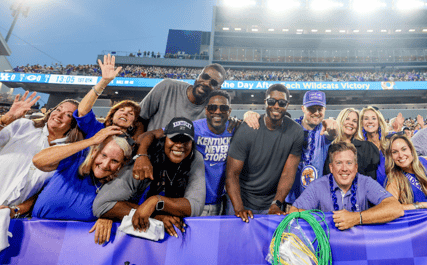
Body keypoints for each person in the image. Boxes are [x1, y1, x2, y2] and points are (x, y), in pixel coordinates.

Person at [93, 117, 206, 237]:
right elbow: (101, 206)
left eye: (185, 140)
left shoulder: (194, 157)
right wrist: (153, 215)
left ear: (191, 143)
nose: (179, 145)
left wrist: (155, 202)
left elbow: (195, 207)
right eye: (174, 139)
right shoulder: (146, 158)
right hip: (131, 234)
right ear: (165, 138)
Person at [131, 91, 234, 216]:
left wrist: (251, 115)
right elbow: (147, 135)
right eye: (213, 107)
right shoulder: (192, 128)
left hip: (220, 201)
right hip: (189, 200)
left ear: (229, 111)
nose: (218, 111)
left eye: (223, 108)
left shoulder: (234, 128)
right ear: (206, 110)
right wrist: (142, 155)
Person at [26, 127, 132, 244]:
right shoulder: (76, 159)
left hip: (73, 245)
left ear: (121, 165)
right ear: (95, 152)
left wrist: (108, 216)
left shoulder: (117, 186)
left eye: (114, 161)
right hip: (33, 236)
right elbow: (38, 161)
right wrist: (92, 140)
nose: (105, 164)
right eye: (103, 155)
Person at [226, 84, 304, 222]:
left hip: (270, 202)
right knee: (237, 242)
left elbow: (288, 173)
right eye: (271, 101)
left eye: (282, 103)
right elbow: (232, 174)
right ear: (265, 102)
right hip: (240, 199)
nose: (276, 106)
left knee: (270, 243)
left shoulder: (296, 131)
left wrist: (276, 204)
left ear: (287, 105)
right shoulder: (247, 129)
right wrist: (239, 208)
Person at [244, 90, 338, 204]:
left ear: (325, 110)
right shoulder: (289, 128)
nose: (316, 112)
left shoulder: (323, 132)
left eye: (320, 109)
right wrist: (251, 115)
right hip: (289, 198)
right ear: (303, 108)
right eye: (312, 109)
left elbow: (333, 133)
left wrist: (334, 126)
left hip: (315, 199)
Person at [289, 142, 405, 230]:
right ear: (331, 168)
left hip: (359, 247)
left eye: (349, 163)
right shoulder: (318, 186)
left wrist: (356, 218)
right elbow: (294, 212)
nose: (344, 168)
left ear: (355, 167)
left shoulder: (366, 182)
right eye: (339, 163)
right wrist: (328, 222)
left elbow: (396, 208)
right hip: (327, 248)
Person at [0, 95, 82, 213]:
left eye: (68, 114)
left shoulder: (68, 154)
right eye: (58, 109)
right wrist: (5, 119)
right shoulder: (23, 126)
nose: (59, 115)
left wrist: (15, 211)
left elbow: (44, 193)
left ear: (74, 123)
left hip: (10, 217)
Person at [138, 63, 226, 131]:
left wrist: (234, 122)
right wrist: (141, 149)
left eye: (213, 83)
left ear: (218, 89)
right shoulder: (167, 86)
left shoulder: (212, 110)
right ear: (198, 76)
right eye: (205, 77)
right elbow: (140, 117)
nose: (206, 83)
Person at [385, 134, 427, 218]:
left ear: (411, 149)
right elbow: (392, 208)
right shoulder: (394, 179)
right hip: (423, 224)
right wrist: (426, 205)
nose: (400, 155)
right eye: (395, 152)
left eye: (404, 149)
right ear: (391, 156)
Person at [74, 54, 142, 139]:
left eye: (131, 113)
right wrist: (104, 81)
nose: (125, 113)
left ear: (133, 122)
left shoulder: (134, 144)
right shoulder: (97, 129)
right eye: (121, 110)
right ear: (112, 116)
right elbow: (82, 112)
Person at [323, 108, 380, 180]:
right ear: (340, 121)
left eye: (354, 121)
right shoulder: (329, 147)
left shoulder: (367, 148)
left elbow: (371, 180)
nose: (351, 123)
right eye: (347, 119)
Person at [358, 106, 389, 187]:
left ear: (379, 121)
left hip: (391, 189)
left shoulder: (389, 143)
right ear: (361, 122)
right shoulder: (359, 147)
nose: (370, 121)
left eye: (373, 118)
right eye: (366, 118)